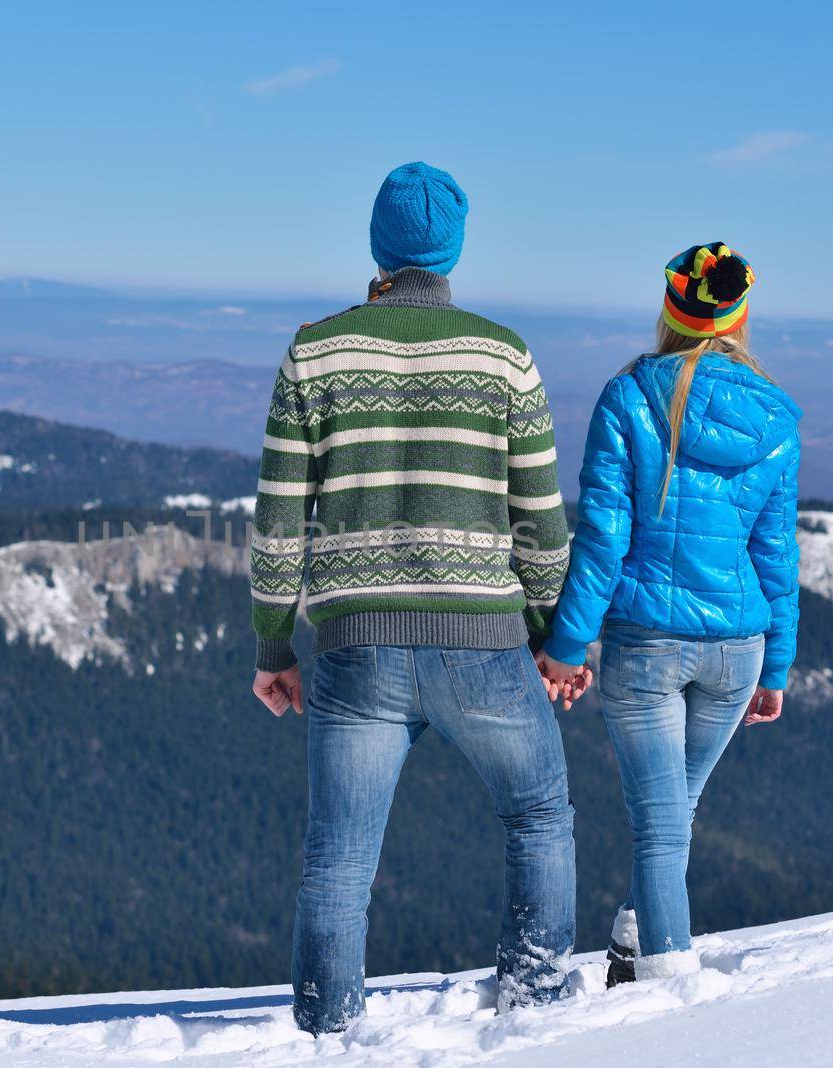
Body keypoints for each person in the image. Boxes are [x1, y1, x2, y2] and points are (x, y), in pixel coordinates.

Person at [248, 162, 585, 1034]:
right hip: (483, 640)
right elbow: (540, 522)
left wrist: (273, 648)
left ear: (377, 246)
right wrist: (555, 634)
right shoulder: (503, 354)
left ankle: (325, 1038)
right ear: (454, 250)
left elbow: (281, 520)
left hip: (356, 642)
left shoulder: (315, 350)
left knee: (338, 863)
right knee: (539, 812)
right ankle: (537, 1007)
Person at [536, 242, 801, 984]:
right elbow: (777, 554)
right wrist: (774, 664)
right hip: (737, 644)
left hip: (647, 643)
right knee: (673, 812)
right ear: (738, 318)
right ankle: (634, 934)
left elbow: (603, 536)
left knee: (660, 822)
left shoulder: (629, 397)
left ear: (670, 310)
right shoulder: (776, 418)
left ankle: (669, 994)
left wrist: (568, 642)